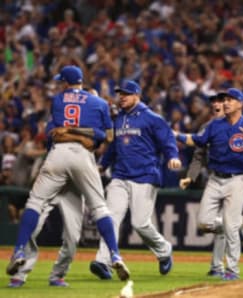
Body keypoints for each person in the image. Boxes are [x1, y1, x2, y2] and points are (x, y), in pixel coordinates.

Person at [6, 65, 130, 284]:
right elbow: (107, 136)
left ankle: (23, 258)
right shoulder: (99, 103)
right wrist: (84, 136)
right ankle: (114, 254)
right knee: (94, 213)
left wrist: (70, 132)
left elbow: (54, 134)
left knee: (36, 208)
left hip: (58, 159)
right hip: (83, 160)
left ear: (65, 82)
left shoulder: (58, 100)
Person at [7, 88, 103, 288]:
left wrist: (74, 135)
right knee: (33, 227)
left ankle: (58, 274)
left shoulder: (95, 124)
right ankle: (20, 273)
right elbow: (52, 137)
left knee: (73, 235)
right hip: (53, 178)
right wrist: (76, 137)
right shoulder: (59, 117)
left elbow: (98, 142)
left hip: (74, 185)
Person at [89, 80, 181, 279]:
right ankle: (103, 261)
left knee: (140, 224)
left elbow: (168, 140)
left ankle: (164, 251)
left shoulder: (152, 118)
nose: (122, 97)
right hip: (120, 176)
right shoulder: (119, 119)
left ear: (137, 95)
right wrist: (103, 164)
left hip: (145, 176)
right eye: (120, 93)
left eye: (126, 94)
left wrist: (173, 156)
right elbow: (114, 147)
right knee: (110, 218)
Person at [175, 88, 243, 281]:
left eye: (231, 100)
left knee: (231, 227)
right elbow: (197, 141)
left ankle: (232, 270)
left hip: (237, 179)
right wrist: (177, 135)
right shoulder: (214, 125)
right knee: (203, 223)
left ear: (240, 104)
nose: (226, 103)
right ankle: (229, 225)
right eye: (224, 99)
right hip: (215, 179)